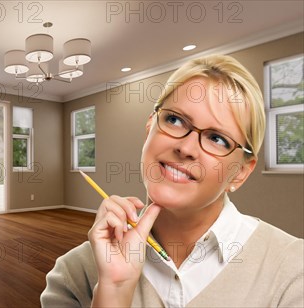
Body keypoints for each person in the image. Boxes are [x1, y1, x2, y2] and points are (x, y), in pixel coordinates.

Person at [40, 55, 303, 307]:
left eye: (217, 138)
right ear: (150, 127)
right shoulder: (74, 274)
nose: (187, 147)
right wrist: (114, 291)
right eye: (175, 120)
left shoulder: (293, 269)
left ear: (241, 172)